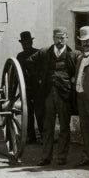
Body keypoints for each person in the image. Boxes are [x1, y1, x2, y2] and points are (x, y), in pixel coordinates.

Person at [31, 26, 78, 166]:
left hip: (65, 94)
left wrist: (74, 78)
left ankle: (61, 157)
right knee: (47, 127)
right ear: (53, 38)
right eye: (57, 38)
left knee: (64, 126)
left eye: (63, 37)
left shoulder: (73, 54)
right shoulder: (45, 52)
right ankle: (46, 157)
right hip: (48, 94)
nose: (60, 40)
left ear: (67, 38)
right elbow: (30, 62)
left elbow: (78, 70)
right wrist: (40, 77)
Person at [16, 30, 42, 144]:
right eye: (24, 43)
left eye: (28, 42)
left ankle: (43, 135)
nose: (26, 44)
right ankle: (31, 136)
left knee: (40, 113)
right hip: (26, 89)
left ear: (31, 42)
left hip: (38, 88)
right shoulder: (20, 56)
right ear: (22, 44)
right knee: (28, 113)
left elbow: (43, 70)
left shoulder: (38, 53)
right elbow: (17, 73)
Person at [75, 25, 89, 166]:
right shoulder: (80, 57)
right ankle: (88, 156)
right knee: (85, 129)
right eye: (83, 41)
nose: (86, 44)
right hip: (81, 97)